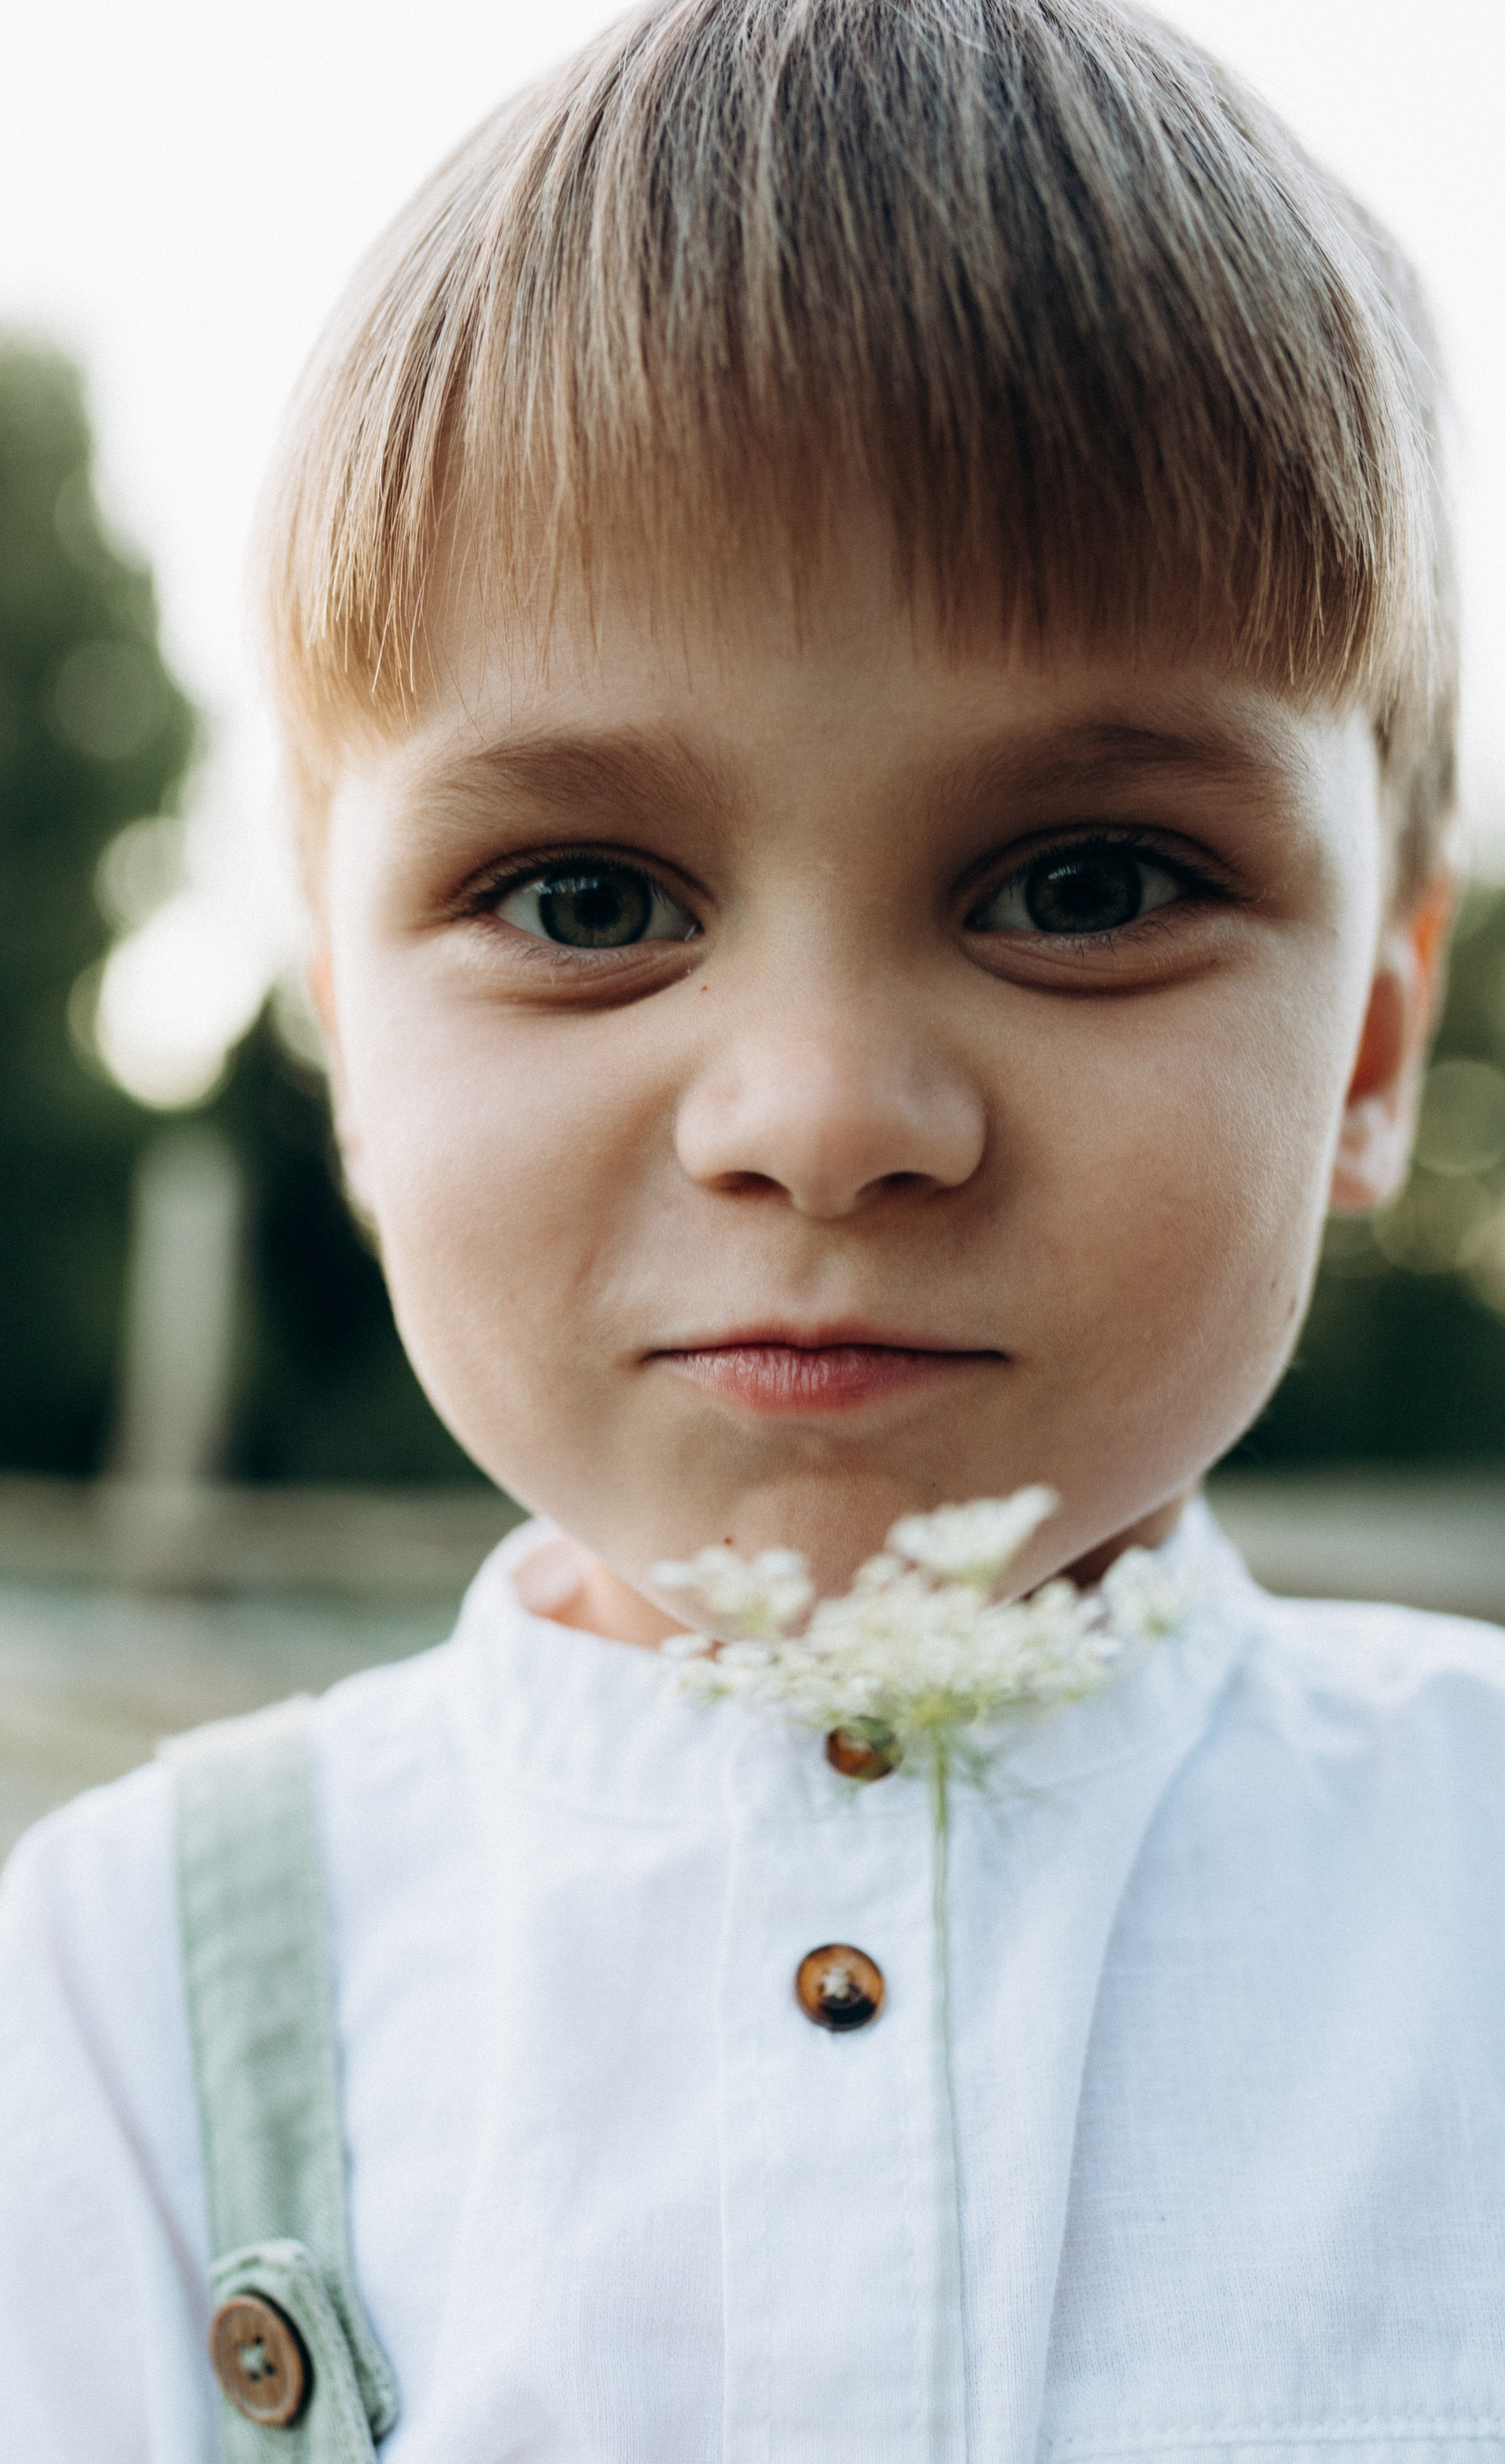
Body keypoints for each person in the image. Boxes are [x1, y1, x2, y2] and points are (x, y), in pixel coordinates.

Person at [2, 1, 1497, 2454]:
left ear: (1360, 1043)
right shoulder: (115, 1996)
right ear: (351, 1036)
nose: (818, 1116)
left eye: (1083, 883)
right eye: (585, 894)